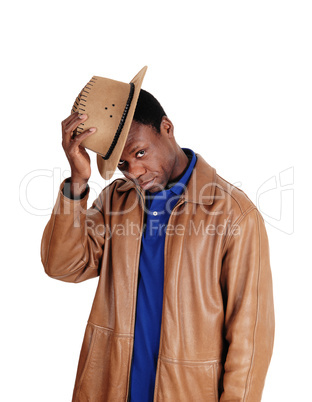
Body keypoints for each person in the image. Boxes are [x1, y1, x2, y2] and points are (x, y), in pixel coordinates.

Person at [41, 72, 274, 401]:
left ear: (167, 128)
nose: (134, 172)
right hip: (109, 390)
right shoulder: (115, 201)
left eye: (139, 153)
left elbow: (249, 336)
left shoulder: (234, 214)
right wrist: (77, 182)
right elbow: (62, 265)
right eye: (122, 163)